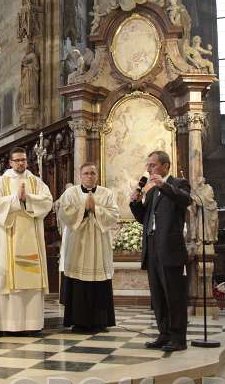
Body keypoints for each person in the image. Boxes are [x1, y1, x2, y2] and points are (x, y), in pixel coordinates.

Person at [130, 150, 192, 352]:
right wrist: (135, 202)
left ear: (166, 166)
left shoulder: (178, 183)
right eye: (148, 165)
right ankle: (164, 334)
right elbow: (144, 219)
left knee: (174, 295)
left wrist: (163, 185)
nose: (149, 169)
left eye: (153, 165)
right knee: (158, 296)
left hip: (170, 248)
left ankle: (178, 339)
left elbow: (185, 200)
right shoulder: (152, 191)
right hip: (152, 246)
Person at [0, 146, 52, 335]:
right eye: (17, 160)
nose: (21, 163)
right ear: (10, 162)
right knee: (9, 281)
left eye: (23, 160)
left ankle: (31, 324)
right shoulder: (0, 182)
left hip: (31, 236)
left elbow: (47, 201)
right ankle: (8, 325)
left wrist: (27, 199)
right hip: (8, 238)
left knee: (30, 282)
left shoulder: (36, 181)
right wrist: (16, 199)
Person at [57, 162, 119, 332]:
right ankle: (79, 321)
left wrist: (96, 208)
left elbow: (114, 215)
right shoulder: (70, 193)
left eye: (92, 173)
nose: (89, 176)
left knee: (99, 281)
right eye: (86, 173)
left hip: (99, 243)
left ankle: (101, 320)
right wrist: (84, 209)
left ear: (97, 175)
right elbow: (64, 213)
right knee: (78, 281)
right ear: (80, 175)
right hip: (78, 243)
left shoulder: (107, 193)